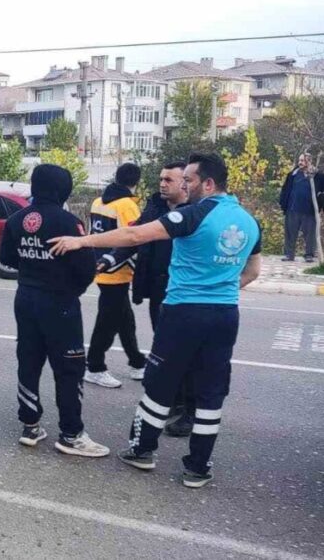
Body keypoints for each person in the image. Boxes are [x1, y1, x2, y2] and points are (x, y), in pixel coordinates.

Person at [49, 153, 262, 488]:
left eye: (189, 180)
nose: (184, 185)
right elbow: (253, 271)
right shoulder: (249, 221)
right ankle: (198, 467)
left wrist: (83, 240)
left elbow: (134, 237)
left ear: (208, 183)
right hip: (224, 314)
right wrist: (220, 289)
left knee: (159, 382)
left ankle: (142, 450)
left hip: (183, 313)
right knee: (210, 392)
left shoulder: (193, 214)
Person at [0, 164, 108, 458]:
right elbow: (86, 268)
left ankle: (30, 425)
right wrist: (70, 288)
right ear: (64, 189)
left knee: (29, 360)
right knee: (69, 368)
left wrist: (33, 266)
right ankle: (71, 434)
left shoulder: (17, 219)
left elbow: (7, 257)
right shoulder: (69, 223)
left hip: (26, 298)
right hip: (60, 303)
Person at [103, 162, 193, 436]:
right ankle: (175, 401)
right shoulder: (155, 206)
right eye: (161, 179)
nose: (162, 183)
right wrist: (110, 257)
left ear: (185, 184)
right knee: (164, 349)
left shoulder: (199, 212)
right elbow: (134, 235)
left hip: (187, 294)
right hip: (158, 290)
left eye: (169, 179)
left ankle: (190, 411)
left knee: (186, 353)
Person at [84, 162, 146, 388]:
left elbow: (95, 234)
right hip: (117, 270)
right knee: (108, 323)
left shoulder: (98, 201)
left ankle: (137, 362)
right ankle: (94, 366)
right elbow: (133, 239)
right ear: (136, 181)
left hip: (100, 266)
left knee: (124, 320)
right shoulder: (127, 206)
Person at [278, 153, 324, 262]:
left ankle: (309, 255)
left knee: (310, 234)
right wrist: (283, 203)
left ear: (309, 161)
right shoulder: (292, 175)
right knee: (290, 233)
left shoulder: (317, 176)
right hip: (292, 209)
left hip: (309, 210)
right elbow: (285, 190)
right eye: (300, 160)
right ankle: (289, 254)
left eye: (303, 161)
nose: (300, 163)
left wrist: (320, 206)